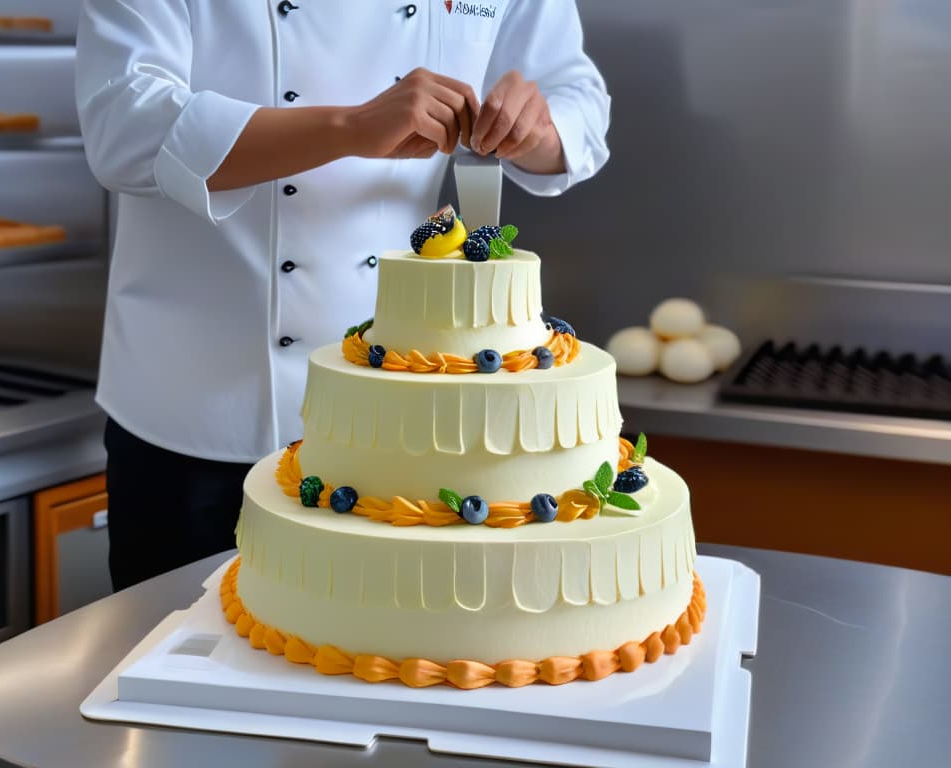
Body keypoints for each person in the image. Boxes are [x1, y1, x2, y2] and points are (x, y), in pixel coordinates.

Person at [76, 0, 610, 591]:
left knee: (384, 659)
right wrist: (351, 128)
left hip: (403, 420)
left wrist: (532, 128)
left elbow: (576, 94)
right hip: (194, 413)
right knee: (173, 661)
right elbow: (123, 124)